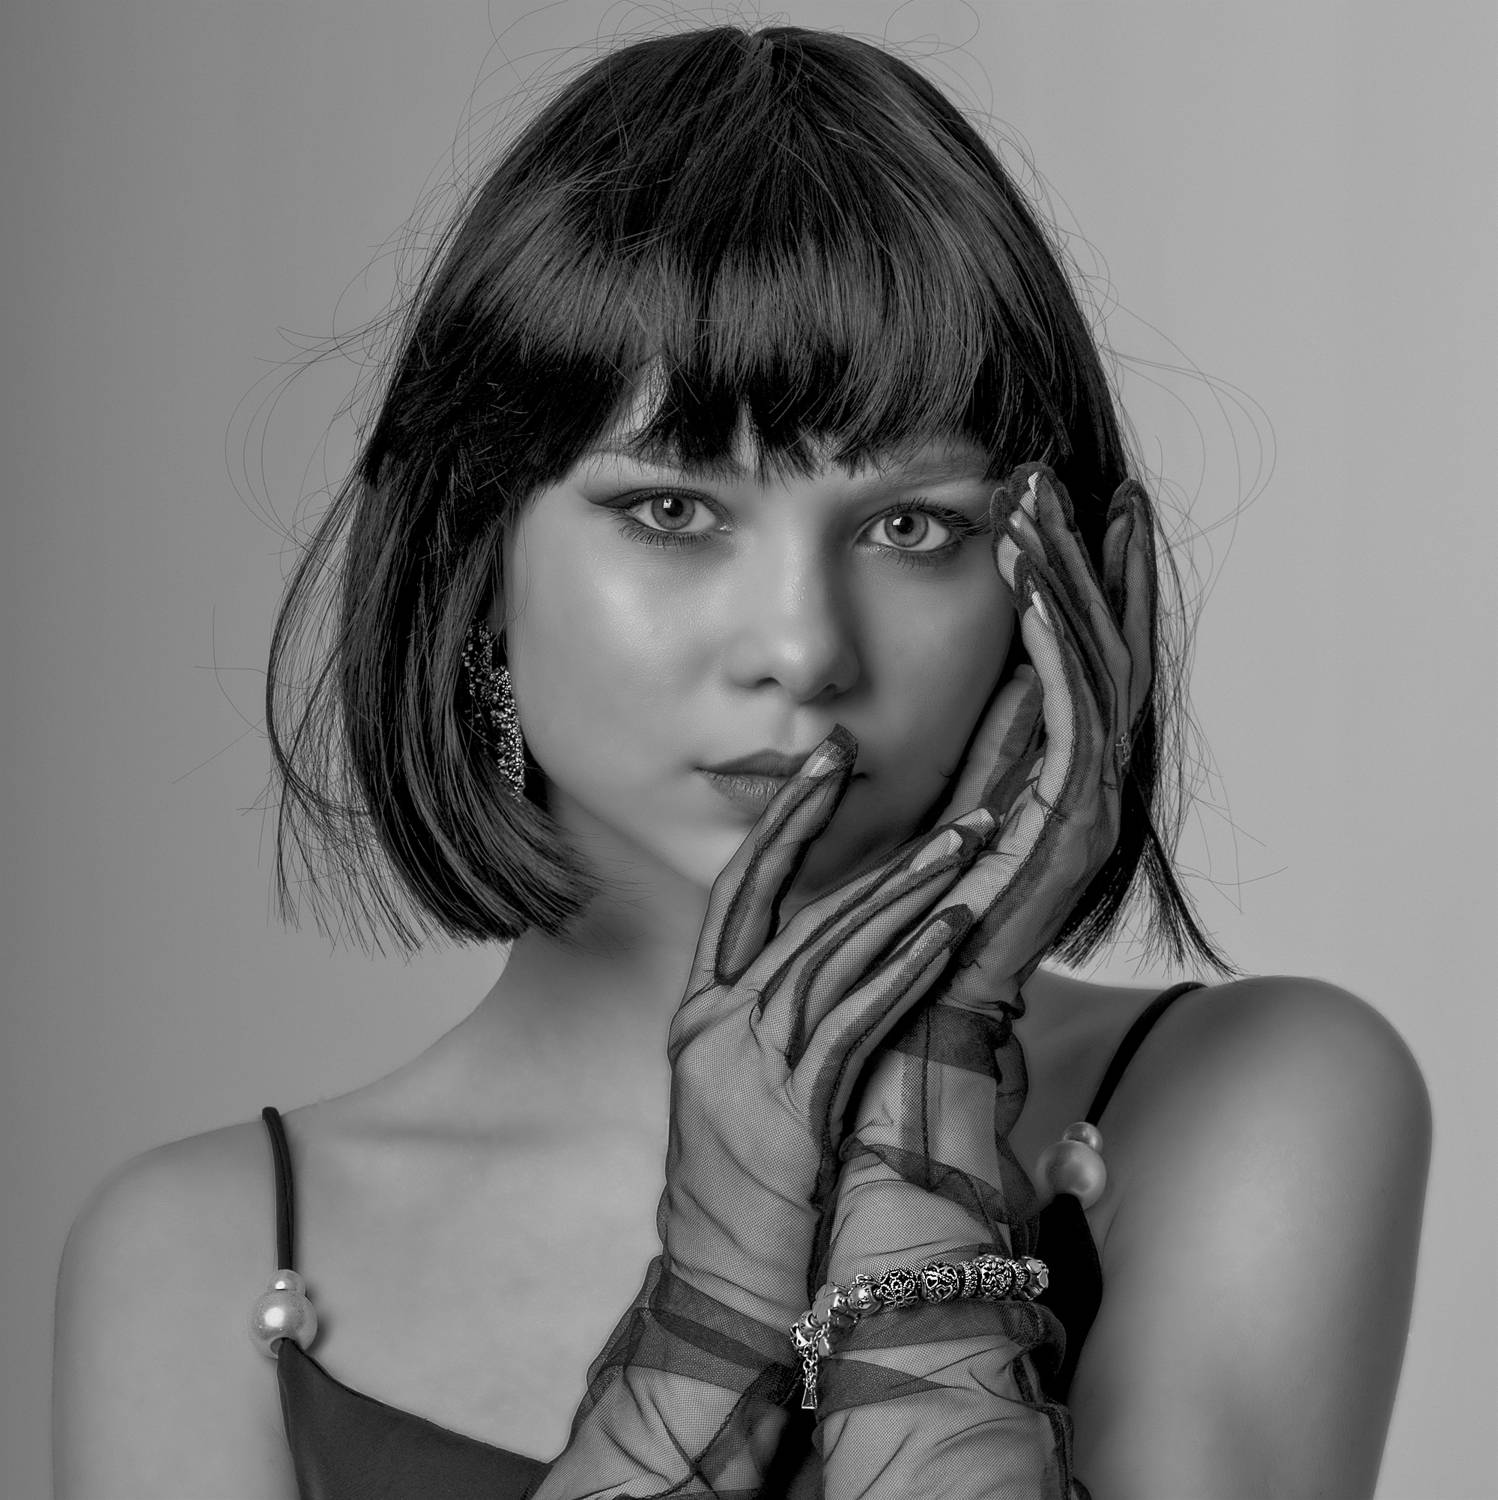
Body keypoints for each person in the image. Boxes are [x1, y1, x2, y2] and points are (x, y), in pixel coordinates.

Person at [52, 23, 1429, 1500]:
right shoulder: (202, 1255)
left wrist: (923, 1108)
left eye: (911, 526)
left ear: (1058, 587)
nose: (801, 647)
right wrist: (719, 1297)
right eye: (671, 512)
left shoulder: (1246, 1099)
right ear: (474, 561)